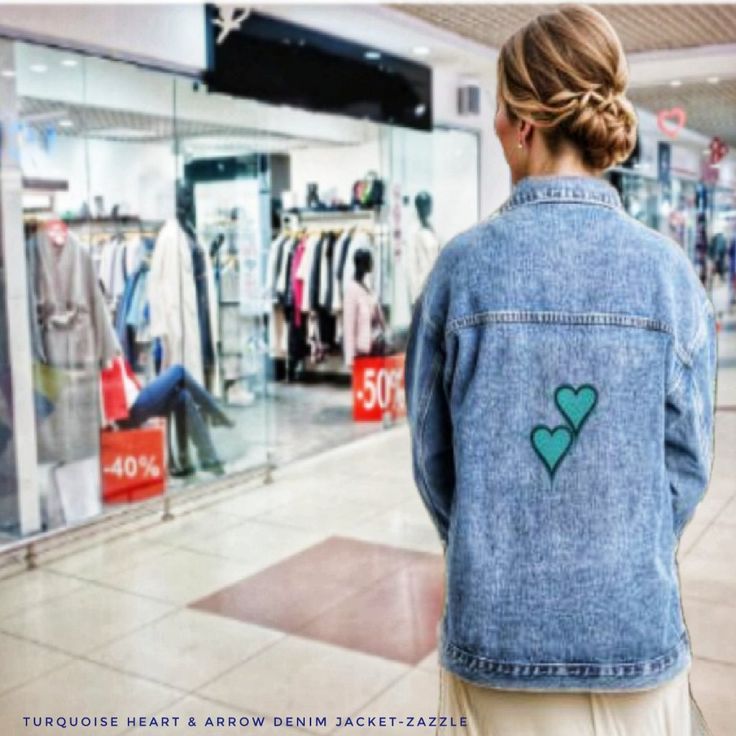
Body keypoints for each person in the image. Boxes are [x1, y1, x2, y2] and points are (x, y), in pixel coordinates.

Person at [405, 6, 717, 736]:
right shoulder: (670, 277)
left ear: (521, 125)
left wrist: (497, 534)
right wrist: (622, 535)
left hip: (497, 640)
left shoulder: (461, 273)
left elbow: (434, 462)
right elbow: (687, 464)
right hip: (636, 636)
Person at [117, 364, 233, 477]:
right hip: (132, 406)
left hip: (134, 402)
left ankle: (205, 457)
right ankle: (216, 413)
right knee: (179, 371)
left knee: (183, 397)